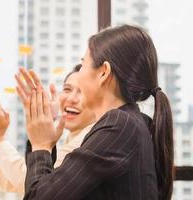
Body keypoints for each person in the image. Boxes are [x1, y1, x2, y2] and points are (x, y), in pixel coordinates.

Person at [16, 25, 174, 200]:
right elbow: (57, 188)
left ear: (104, 72)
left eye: (83, 65)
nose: (78, 74)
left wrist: (41, 145)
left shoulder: (120, 125)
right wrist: (45, 144)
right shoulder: (130, 123)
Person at [0, 64, 96, 195]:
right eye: (67, 89)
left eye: (82, 92)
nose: (71, 99)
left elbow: (29, 183)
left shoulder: (92, 139)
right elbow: (7, 183)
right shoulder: (69, 137)